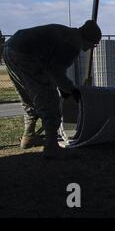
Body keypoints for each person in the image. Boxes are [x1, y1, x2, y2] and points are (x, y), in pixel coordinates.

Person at [3, 20, 102, 159]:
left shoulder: (68, 34)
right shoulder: (73, 43)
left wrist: (65, 87)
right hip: (25, 55)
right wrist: (72, 91)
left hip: (11, 48)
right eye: (94, 44)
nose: (92, 47)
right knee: (49, 99)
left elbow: (52, 70)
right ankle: (51, 147)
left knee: (29, 97)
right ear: (89, 39)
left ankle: (29, 136)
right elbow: (56, 73)